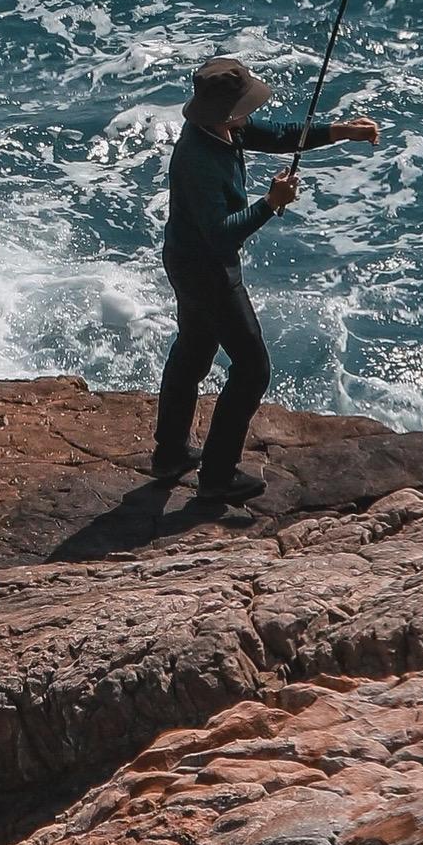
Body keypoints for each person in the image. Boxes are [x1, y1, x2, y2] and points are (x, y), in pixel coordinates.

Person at [152, 55, 378, 510]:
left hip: (187, 259)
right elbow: (220, 235)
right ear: (227, 112)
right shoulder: (199, 159)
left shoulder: (219, 129)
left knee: (194, 349)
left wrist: (338, 132)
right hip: (208, 269)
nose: (250, 113)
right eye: (244, 105)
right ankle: (216, 476)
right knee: (253, 369)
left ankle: (170, 453)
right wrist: (270, 203)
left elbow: (276, 136)